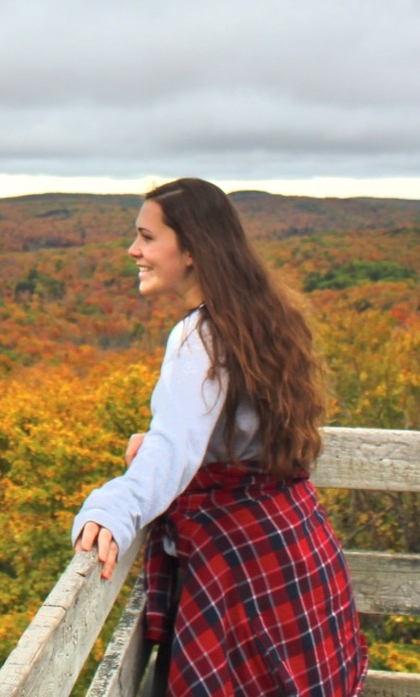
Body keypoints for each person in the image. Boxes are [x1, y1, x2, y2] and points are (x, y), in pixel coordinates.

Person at [71, 178, 367, 696]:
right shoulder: (263, 313)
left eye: (146, 236)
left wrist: (114, 506)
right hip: (292, 542)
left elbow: (173, 449)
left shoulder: (198, 337)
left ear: (190, 249)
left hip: (239, 563)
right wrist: (174, 441)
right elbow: (223, 432)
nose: (133, 250)